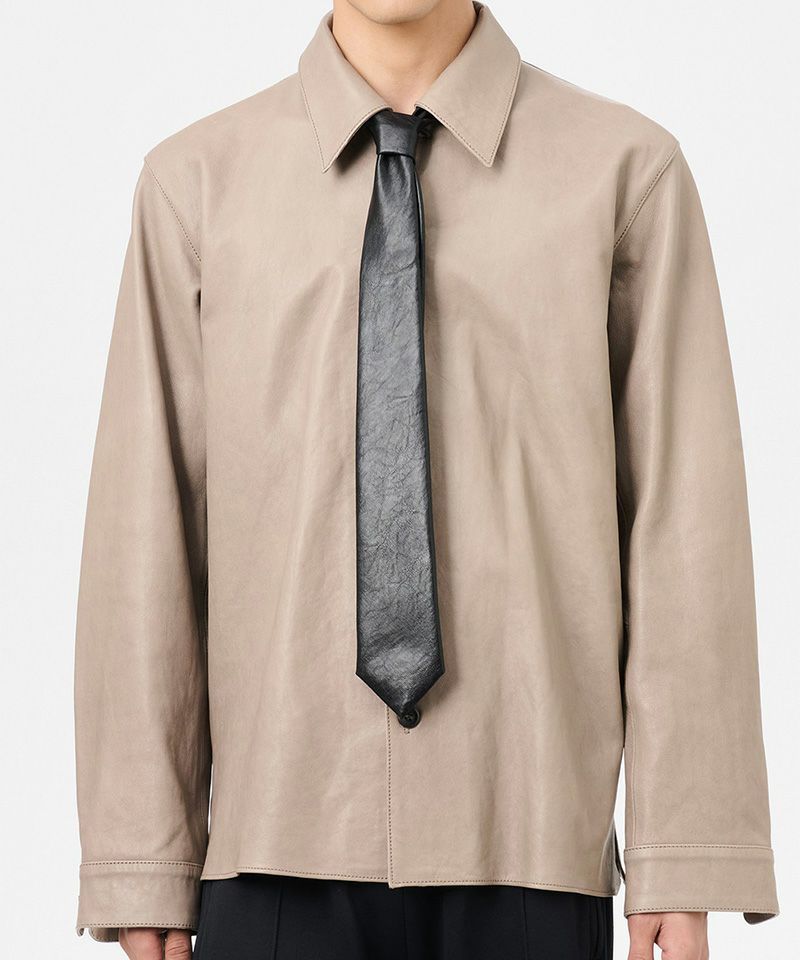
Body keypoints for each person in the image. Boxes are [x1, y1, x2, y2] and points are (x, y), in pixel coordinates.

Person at [73, 1, 779, 958]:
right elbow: (146, 523)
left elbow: (683, 520)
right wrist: (141, 854)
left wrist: (683, 849)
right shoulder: (195, 187)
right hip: (275, 850)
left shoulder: (625, 176)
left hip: (529, 843)